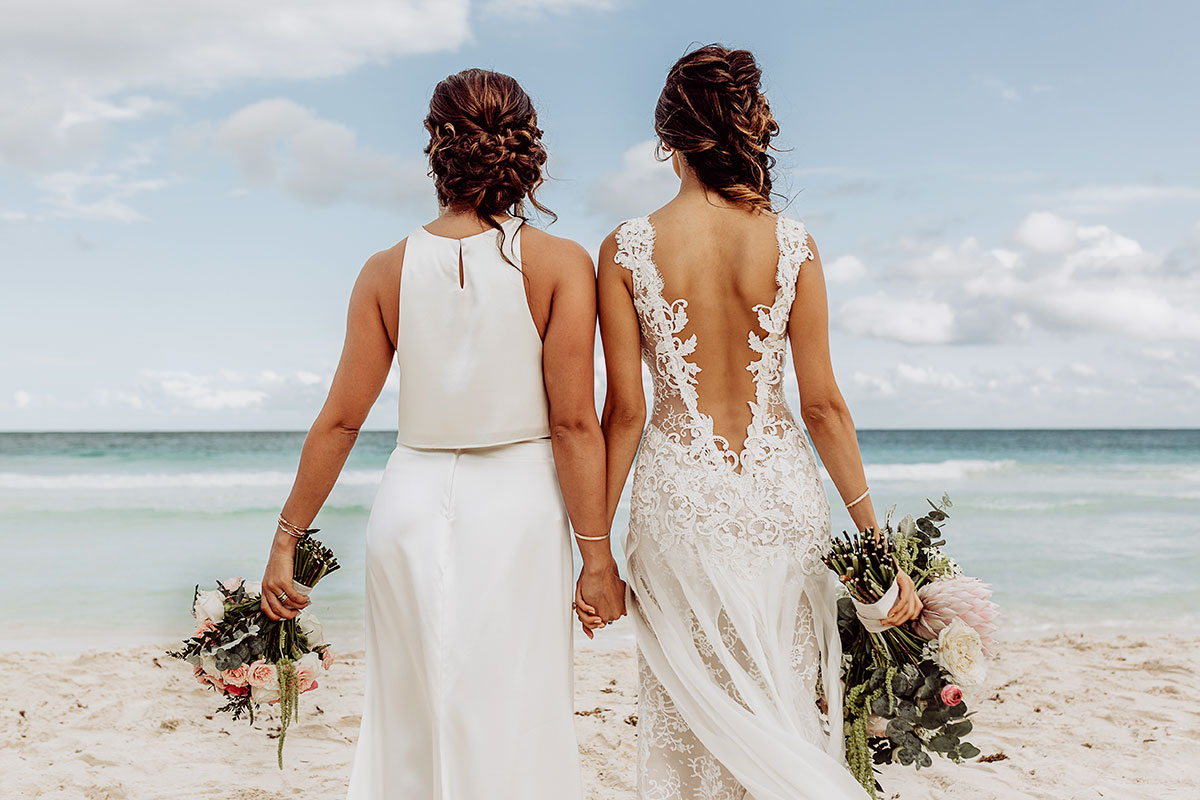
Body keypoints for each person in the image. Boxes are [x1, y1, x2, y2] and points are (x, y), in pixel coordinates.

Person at [257, 67, 626, 800]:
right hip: (519, 508)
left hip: (410, 505)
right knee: (516, 709)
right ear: (525, 147)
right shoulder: (560, 263)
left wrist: (285, 540)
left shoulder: (384, 271)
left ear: (435, 143)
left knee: (410, 713)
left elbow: (340, 421)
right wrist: (596, 558)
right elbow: (573, 423)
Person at [590, 45, 922, 799]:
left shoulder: (625, 248)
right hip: (780, 494)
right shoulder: (793, 244)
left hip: (681, 497)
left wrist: (596, 553)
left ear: (668, 138)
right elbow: (822, 405)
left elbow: (626, 412)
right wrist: (875, 545)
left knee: (694, 709)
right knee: (783, 698)